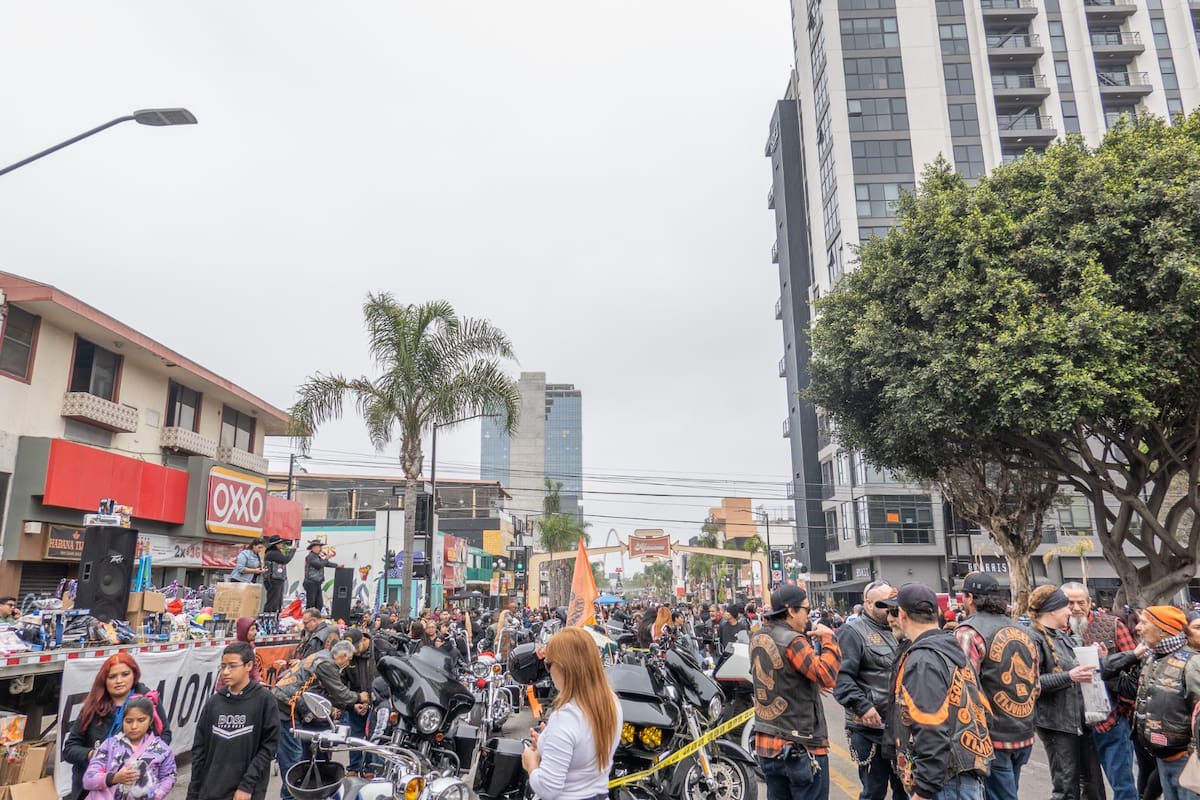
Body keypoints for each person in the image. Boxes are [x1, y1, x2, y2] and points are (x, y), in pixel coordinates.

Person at [883, 583, 993, 800]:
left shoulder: (923, 659)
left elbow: (931, 727)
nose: (889, 619)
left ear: (903, 614)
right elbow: (985, 711)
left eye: (893, 612)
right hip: (960, 776)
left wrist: (924, 789)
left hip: (946, 783)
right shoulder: (951, 649)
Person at [750, 584, 840, 800]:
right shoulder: (793, 640)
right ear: (791, 610)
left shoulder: (759, 637)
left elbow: (778, 674)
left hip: (768, 746)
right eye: (806, 610)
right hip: (799, 745)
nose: (808, 617)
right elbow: (827, 675)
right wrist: (829, 639)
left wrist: (805, 682)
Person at [955, 572, 1039, 800]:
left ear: (970, 598)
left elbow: (964, 688)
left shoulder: (968, 632)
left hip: (991, 737)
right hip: (1023, 731)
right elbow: (1036, 685)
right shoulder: (1024, 632)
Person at [520, 627, 622, 800]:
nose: (548, 671)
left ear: (562, 667)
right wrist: (548, 741)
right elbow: (583, 749)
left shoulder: (566, 718)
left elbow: (547, 788)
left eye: (548, 664)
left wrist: (531, 764)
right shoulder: (611, 702)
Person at [1062, 582, 1140, 800]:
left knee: (1122, 784)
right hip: (1074, 722)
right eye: (1070, 603)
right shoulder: (1056, 632)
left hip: (1111, 719)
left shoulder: (1113, 625)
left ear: (1089, 603)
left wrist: (1123, 708)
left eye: (1081, 602)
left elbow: (1134, 668)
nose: (1076, 607)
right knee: (1086, 785)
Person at [1027, 584, 1103, 800]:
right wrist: (1069, 676)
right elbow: (1032, 682)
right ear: (1052, 610)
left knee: (1092, 784)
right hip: (1056, 723)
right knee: (1066, 787)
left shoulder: (1062, 636)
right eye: (1066, 606)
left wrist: (1097, 658)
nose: (1071, 611)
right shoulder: (1033, 638)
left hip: (1079, 721)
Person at [63, 653, 173, 800]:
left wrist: (144, 761)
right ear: (104, 680)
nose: (119, 680)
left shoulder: (147, 701)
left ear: (134, 675)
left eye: (125, 674)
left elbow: (164, 736)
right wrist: (95, 755)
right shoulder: (93, 707)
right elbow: (70, 749)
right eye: (112, 676)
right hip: (93, 791)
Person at [834, 581, 906, 800]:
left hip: (900, 728)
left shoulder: (902, 630)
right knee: (874, 791)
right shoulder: (852, 632)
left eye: (891, 605)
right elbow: (841, 678)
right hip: (869, 729)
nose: (888, 610)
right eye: (882, 604)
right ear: (867, 603)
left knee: (905, 789)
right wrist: (863, 706)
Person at [272, 640, 366, 800]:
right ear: (343, 656)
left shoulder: (320, 656)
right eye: (349, 659)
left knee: (299, 755)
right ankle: (289, 797)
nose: (348, 663)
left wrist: (351, 706)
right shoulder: (327, 664)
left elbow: (322, 694)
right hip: (288, 707)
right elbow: (339, 692)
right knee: (293, 759)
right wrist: (358, 697)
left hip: (286, 703)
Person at [189, 642, 279, 800]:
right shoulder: (214, 702)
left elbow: (269, 747)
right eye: (223, 666)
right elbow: (199, 750)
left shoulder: (264, 700)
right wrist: (194, 792)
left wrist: (247, 785)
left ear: (248, 665)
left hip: (246, 792)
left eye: (232, 666)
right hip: (211, 790)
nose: (226, 672)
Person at [1133, 605, 1200, 800]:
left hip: (1187, 762)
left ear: (1162, 630)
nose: (1139, 628)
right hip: (1163, 760)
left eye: (1145, 623)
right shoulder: (1152, 658)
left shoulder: (1192, 663)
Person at [82, 695, 176, 800]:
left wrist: (156, 795)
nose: (134, 726)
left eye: (141, 720)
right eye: (129, 721)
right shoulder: (109, 745)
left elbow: (168, 777)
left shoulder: (162, 750)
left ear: (150, 721)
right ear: (123, 720)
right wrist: (114, 778)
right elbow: (88, 779)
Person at [341, 630, 376, 775]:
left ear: (363, 640)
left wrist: (376, 699)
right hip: (356, 702)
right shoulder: (347, 656)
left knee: (372, 735)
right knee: (354, 735)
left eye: (355, 647)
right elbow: (341, 684)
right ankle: (353, 767)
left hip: (376, 703)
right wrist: (353, 702)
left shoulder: (378, 651)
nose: (353, 651)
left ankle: (369, 767)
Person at [302, 540, 341, 612]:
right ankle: (309, 617)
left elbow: (325, 563)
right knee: (311, 602)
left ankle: (315, 617)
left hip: (317, 582)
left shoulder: (317, 557)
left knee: (319, 603)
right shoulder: (310, 557)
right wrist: (326, 558)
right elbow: (319, 565)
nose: (319, 548)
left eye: (319, 547)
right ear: (312, 548)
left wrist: (336, 565)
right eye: (317, 547)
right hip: (311, 582)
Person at [262, 536, 296, 614]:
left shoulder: (276, 552)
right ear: (276, 544)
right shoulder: (272, 553)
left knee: (277, 602)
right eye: (280, 543)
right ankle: (268, 618)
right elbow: (285, 560)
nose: (282, 545)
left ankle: (274, 617)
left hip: (277, 579)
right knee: (272, 601)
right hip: (273, 580)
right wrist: (293, 550)